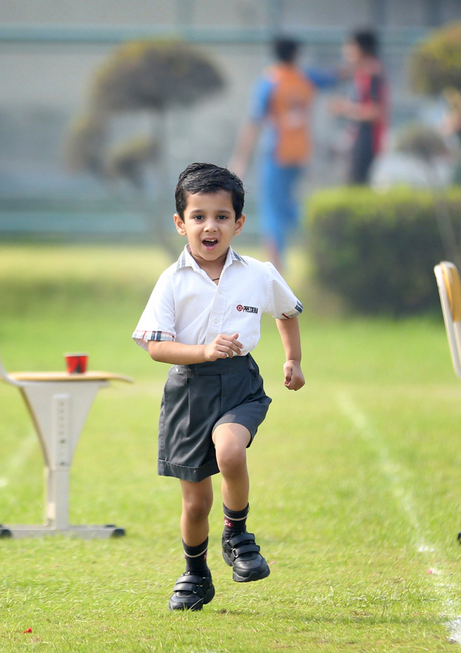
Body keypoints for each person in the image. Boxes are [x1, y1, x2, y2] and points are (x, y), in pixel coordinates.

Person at [132, 162, 306, 610]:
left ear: (238, 223)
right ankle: (195, 573)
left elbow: (285, 311)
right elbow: (156, 348)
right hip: (189, 392)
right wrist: (205, 351)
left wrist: (293, 359)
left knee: (231, 451)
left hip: (239, 384)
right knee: (195, 504)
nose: (210, 226)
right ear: (180, 223)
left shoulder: (259, 273)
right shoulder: (171, 282)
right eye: (199, 216)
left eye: (222, 216)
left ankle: (238, 535)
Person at [229, 36, 334, 272]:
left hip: (275, 152)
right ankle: (320, 236)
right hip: (300, 152)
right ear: (296, 54)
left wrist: (240, 159)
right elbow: (334, 76)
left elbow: (253, 122)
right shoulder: (305, 78)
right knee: (287, 206)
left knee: (272, 209)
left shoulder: (270, 81)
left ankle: (276, 263)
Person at [329, 29, 389, 185]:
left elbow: (375, 111)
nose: (346, 50)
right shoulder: (362, 74)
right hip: (359, 141)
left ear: (362, 49)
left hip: (366, 143)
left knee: (356, 187)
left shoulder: (372, 74)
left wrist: (345, 108)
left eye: (350, 45)